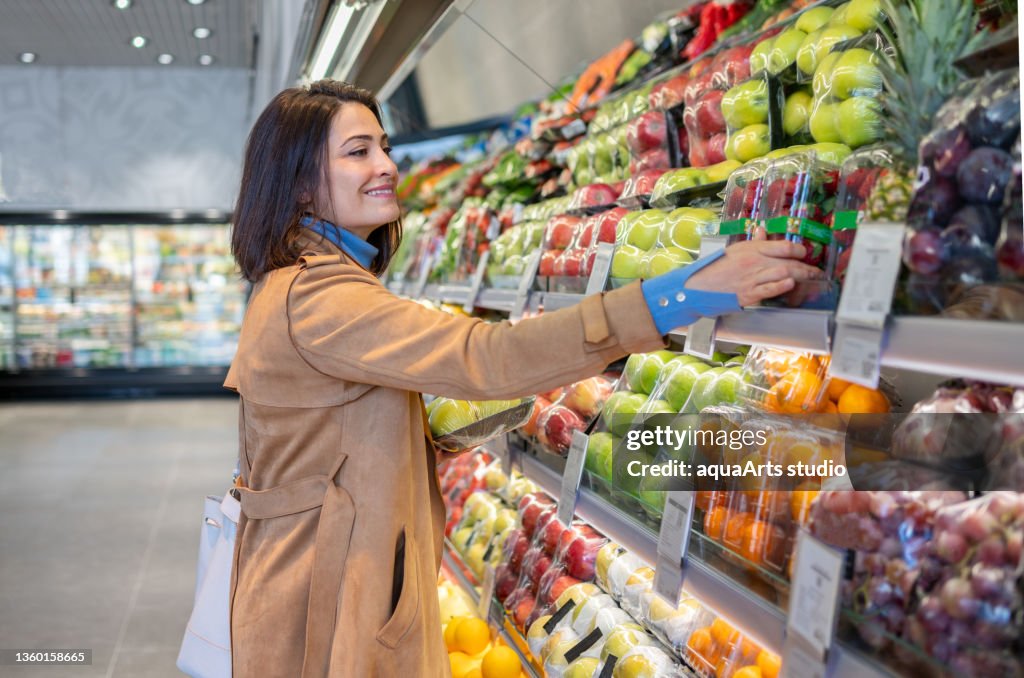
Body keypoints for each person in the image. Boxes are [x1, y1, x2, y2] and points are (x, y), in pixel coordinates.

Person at [224, 79, 823, 677]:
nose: (385, 166)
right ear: (300, 183)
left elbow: (332, 431)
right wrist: (684, 293)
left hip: (325, 584)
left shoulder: (307, 280)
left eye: (383, 147)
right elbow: (489, 356)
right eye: (357, 152)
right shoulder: (317, 295)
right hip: (325, 613)